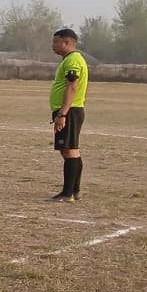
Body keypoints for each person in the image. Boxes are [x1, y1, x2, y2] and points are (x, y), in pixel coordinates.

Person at [49, 28, 89, 203]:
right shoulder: (70, 59)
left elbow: (72, 87)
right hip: (69, 110)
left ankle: (67, 194)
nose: (53, 46)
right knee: (71, 150)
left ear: (66, 42)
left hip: (69, 111)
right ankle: (75, 190)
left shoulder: (73, 61)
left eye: (56, 42)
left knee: (69, 150)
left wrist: (62, 113)